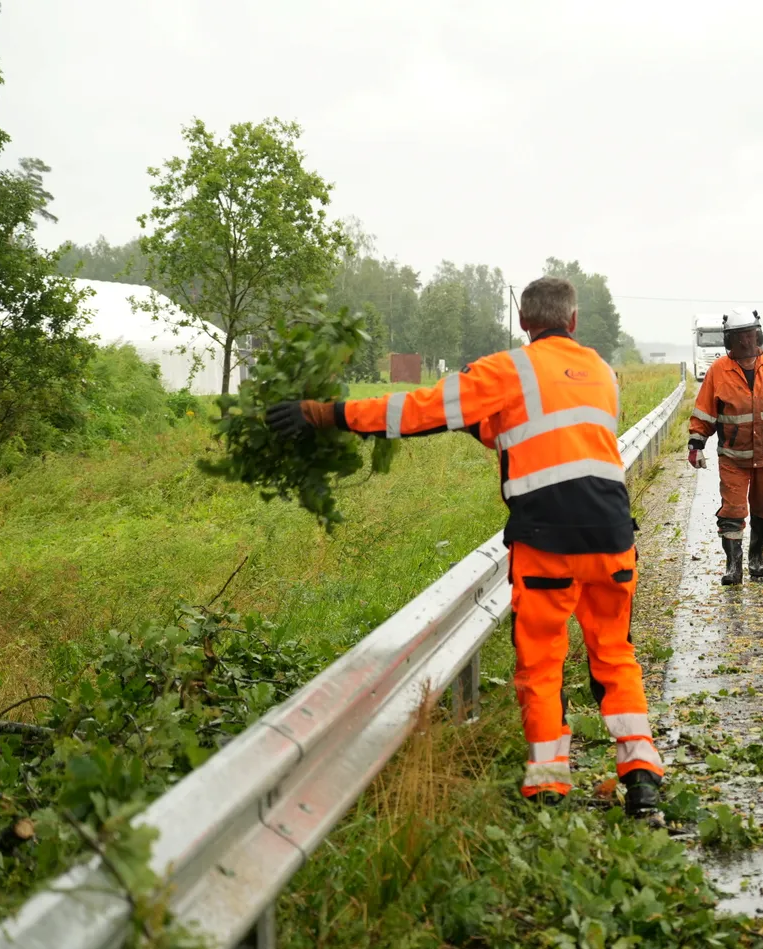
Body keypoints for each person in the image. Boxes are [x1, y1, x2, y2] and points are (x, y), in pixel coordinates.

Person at [263, 276, 664, 816]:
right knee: (614, 655)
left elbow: (418, 410)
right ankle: (642, 777)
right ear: (572, 322)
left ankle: (548, 785)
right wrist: (482, 426)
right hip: (613, 538)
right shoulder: (601, 372)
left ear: (524, 322)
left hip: (546, 540)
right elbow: (540, 435)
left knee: (543, 662)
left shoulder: (508, 369)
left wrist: (325, 414)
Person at [687, 309, 763, 584]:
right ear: (730, 341)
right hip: (733, 459)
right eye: (739, 338)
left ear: (757, 335)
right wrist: (696, 444)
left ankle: (756, 555)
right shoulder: (718, 370)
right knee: (733, 512)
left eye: (749, 336)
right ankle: (733, 566)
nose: (745, 343)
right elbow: (704, 413)